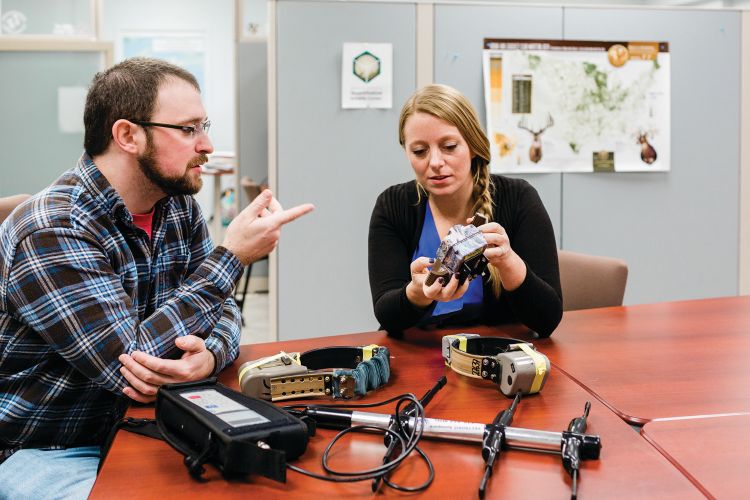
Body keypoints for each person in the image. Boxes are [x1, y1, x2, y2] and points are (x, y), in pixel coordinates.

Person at [0, 57, 313, 498]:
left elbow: (220, 310)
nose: (206, 144)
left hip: (148, 420)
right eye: (188, 129)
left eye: (204, 126)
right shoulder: (53, 228)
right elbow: (130, 365)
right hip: (48, 445)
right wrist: (232, 257)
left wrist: (209, 357)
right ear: (128, 135)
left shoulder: (176, 205)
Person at [368, 84, 561, 337]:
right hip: (418, 356)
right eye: (419, 151)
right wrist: (416, 293)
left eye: (449, 147)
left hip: (497, 355)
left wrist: (507, 262)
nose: (435, 163)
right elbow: (387, 315)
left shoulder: (518, 199)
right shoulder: (393, 206)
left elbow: (547, 319)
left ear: (473, 145)